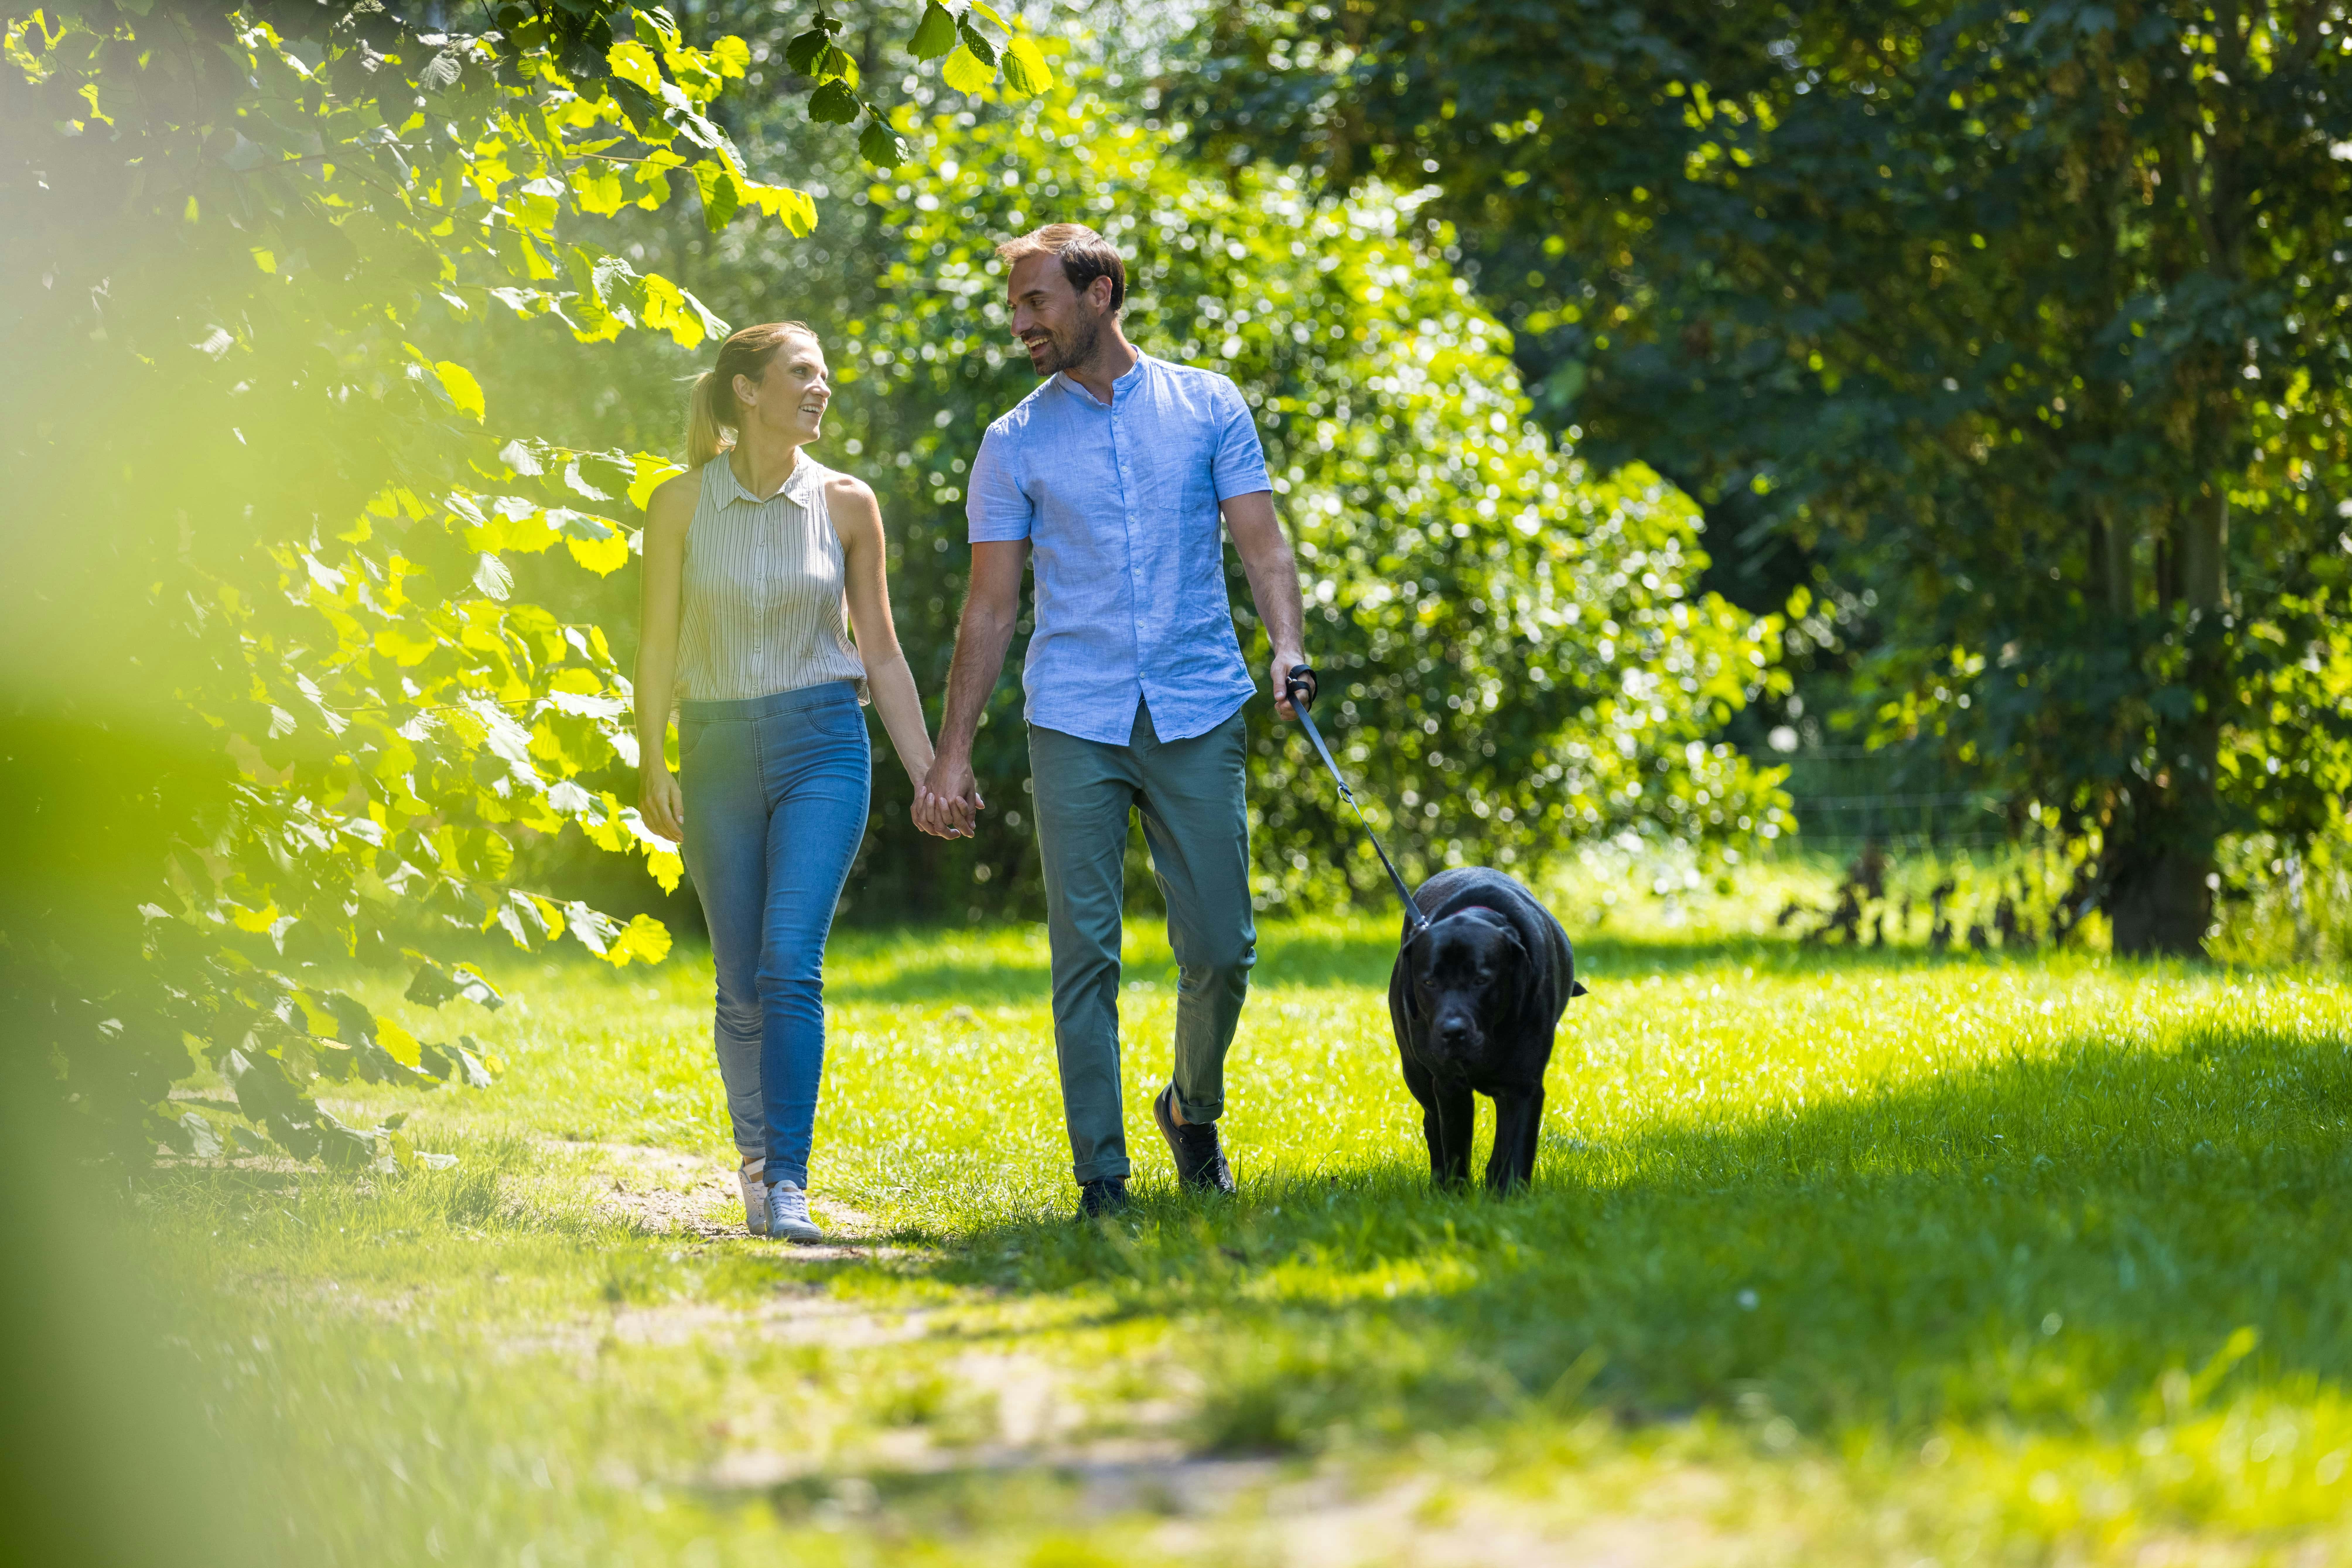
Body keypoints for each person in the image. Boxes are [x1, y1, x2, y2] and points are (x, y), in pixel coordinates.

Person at [917, 225, 1312, 1219]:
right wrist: (952, 754)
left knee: (1223, 944)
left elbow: (1262, 547)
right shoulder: (1012, 442)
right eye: (1015, 306)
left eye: (1037, 301)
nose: (1021, 324)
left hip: (1198, 700)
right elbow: (991, 607)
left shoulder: (1207, 404)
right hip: (1077, 716)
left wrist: (1289, 648)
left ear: (1099, 295)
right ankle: (1102, 1175)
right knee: (1083, 950)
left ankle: (1190, 1107)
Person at [635, 321, 949, 1243]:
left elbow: (882, 654)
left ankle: (790, 1184)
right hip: (719, 746)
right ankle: (757, 1161)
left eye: (824, 375)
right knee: (740, 983)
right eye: (801, 373)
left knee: (788, 963)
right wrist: (652, 758)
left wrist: (932, 774)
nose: (821, 388)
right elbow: (656, 642)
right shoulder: (680, 505)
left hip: (824, 744)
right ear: (746, 390)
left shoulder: (849, 504)